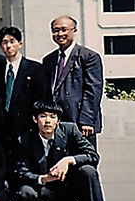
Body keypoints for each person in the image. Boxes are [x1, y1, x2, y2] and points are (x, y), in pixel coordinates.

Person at [12, 101, 109, 201]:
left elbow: (93, 155)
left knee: (88, 171)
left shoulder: (70, 131)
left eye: (52, 117)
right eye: (43, 116)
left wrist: (68, 160)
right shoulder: (24, 140)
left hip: (67, 187)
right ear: (35, 119)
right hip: (43, 190)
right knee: (25, 191)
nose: (47, 121)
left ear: (58, 120)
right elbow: (20, 172)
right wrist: (43, 178)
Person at [42, 16, 104, 149]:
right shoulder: (49, 60)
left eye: (64, 30)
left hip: (80, 121)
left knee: (83, 162)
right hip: (56, 121)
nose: (60, 34)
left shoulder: (88, 57)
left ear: (74, 30)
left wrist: (86, 120)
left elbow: (93, 90)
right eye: (55, 30)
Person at [0, 26, 49, 166]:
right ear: (0, 46)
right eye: (4, 42)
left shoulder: (35, 69)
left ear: (20, 43)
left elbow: (42, 99)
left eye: (12, 41)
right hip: (3, 130)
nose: (8, 46)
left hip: (26, 128)